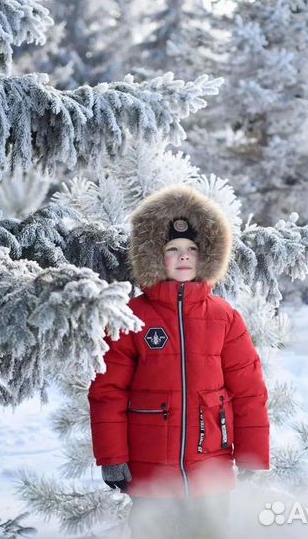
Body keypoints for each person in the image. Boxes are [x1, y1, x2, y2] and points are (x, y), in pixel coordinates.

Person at [88, 185, 270, 538]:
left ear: (207, 256)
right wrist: (112, 457)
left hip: (211, 463)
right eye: (172, 249)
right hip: (152, 468)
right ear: (155, 255)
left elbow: (249, 390)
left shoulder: (224, 317)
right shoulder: (132, 317)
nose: (183, 256)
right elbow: (107, 392)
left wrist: (251, 453)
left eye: (191, 249)